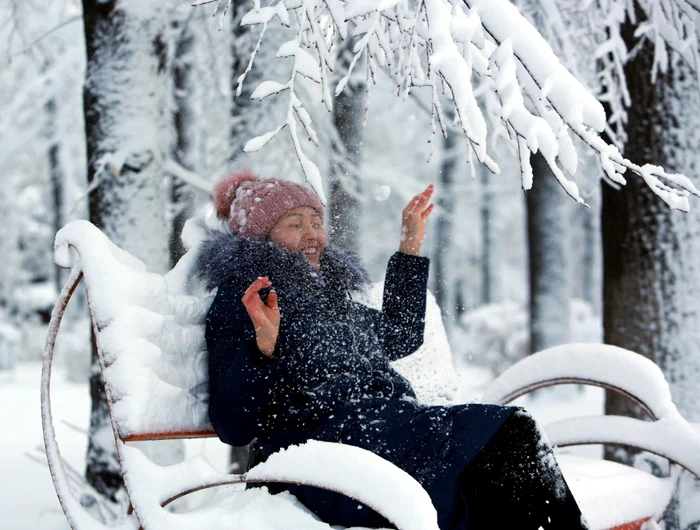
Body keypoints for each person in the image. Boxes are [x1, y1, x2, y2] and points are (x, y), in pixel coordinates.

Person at [196, 170, 588, 530]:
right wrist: (262, 350)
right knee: (496, 454)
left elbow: (399, 335)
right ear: (261, 237)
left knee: (507, 443)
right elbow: (234, 426)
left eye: (316, 221)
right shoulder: (244, 300)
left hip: (386, 428)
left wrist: (409, 248)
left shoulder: (330, 300)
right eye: (295, 224)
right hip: (321, 456)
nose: (313, 233)